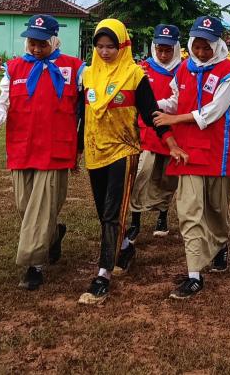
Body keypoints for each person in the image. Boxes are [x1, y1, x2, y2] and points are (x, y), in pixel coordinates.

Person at [78, 19, 187, 306]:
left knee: (112, 212)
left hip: (124, 151)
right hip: (94, 152)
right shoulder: (87, 75)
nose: (104, 52)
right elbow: (82, 116)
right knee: (103, 211)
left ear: (123, 46)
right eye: (100, 47)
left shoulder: (135, 75)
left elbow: (152, 114)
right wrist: (76, 150)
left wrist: (171, 143)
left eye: (110, 46)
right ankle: (125, 248)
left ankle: (102, 275)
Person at [0, 15, 84, 291]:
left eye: (42, 44)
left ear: (54, 41)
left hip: (55, 150)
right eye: (32, 43)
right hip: (21, 149)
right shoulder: (14, 68)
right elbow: (2, 103)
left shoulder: (74, 68)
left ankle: (34, 266)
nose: (36, 49)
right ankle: (53, 234)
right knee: (26, 207)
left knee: (40, 209)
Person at [153, 16, 230, 300]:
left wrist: (173, 118)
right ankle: (194, 274)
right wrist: (153, 104)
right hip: (188, 152)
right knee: (190, 210)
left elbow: (212, 112)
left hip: (220, 152)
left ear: (218, 45)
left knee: (216, 209)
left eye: (207, 47)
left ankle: (219, 244)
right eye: (197, 46)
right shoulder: (184, 68)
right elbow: (174, 100)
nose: (202, 52)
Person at [126, 25, 184, 244]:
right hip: (148, 133)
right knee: (141, 176)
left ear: (175, 48)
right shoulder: (142, 68)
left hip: (174, 134)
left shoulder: (183, 70)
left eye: (168, 50)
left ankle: (162, 216)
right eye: (160, 49)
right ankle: (135, 221)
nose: (163, 54)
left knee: (167, 178)